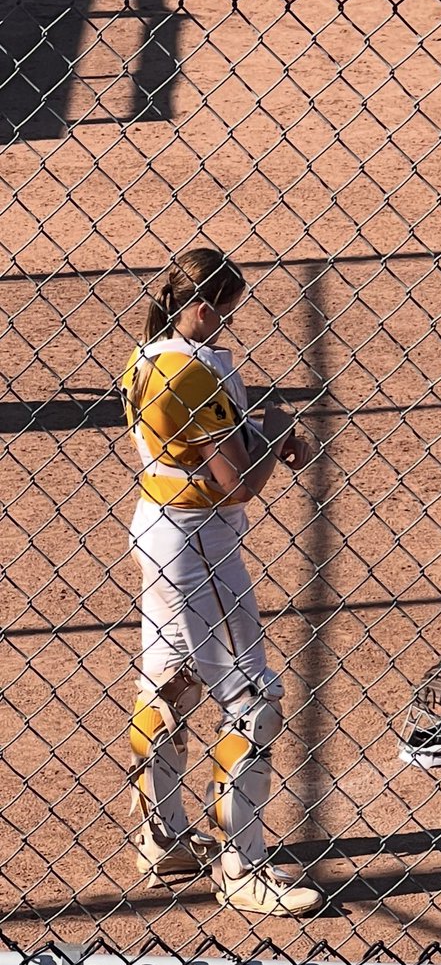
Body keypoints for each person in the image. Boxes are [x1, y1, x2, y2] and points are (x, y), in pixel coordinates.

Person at [121, 247, 322, 916]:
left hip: (159, 528)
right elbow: (236, 486)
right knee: (253, 696)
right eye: (227, 307)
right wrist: (274, 434)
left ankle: (164, 838)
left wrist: (260, 435)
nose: (231, 319)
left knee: (170, 681)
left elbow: (207, 453)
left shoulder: (149, 355)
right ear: (204, 306)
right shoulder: (190, 375)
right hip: (199, 541)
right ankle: (244, 866)